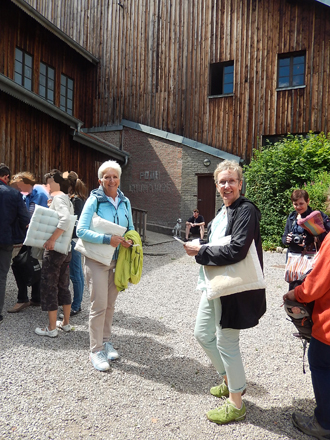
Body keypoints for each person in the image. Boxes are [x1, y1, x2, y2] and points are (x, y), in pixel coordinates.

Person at [184, 160, 266, 425]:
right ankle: (231, 380)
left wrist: (202, 252)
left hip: (233, 288)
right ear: (217, 185)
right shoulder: (223, 212)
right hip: (215, 283)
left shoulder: (246, 210)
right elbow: (217, 242)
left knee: (226, 342)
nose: (227, 185)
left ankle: (236, 403)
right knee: (201, 333)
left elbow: (238, 249)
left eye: (232, 181)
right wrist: (199, 244)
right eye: (222, 181)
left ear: (240, 184)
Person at [76, 160, 134, 372]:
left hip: (118, 260)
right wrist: (106, 239)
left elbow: (131, 229)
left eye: (115, 176)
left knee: (110, 304)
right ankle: (96, 350)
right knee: (99, 305)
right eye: (107, 177)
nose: (111, 180)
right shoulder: (94, 200)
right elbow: (80, 230)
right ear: (100, 180)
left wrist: (129, 241)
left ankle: (106, 340)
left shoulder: (125, 201)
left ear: (119, 179)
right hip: (97, 259)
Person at [283, 190, 330, 438]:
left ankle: (324, 423)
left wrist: (294, 295)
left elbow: (315, 286)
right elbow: (284, 240)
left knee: (321, 363)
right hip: (296, 263)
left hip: (328, 325)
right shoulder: (292, 217)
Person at [35, 171, 75, 337]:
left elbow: (64, 220)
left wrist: (51, 239)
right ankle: (65, 323)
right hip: (66, 250)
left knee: (49, 286)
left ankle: (51, 328)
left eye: (49, 182)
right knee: (63, 286)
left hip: (55, 250)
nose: (47, 186)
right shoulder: (66, 198)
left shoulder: (58, 198)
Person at [8, 171, 49, 312]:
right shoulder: (26, 195)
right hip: (27, 236)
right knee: (27, 263)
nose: (18, 190)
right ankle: (31, 298)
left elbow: (46, 215)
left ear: (26, 183)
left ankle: (26, 298)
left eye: (18, 186)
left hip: (38, 236)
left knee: (26, 264)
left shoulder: (40, 194)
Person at [0, 164, 30, 324]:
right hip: (5, 240)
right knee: (2, 274)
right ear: (5, 177)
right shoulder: (13, 194)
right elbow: (25, 219)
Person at [282, 189, 330, 289]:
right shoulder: (292, 217)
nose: (298, 207)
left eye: (301, 203)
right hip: (294, 260)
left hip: (310, 260)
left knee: (308, 289)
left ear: (308, 201)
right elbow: (284, 237)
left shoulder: (317, 216)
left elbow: (327, 236)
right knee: (294, 290)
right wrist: (287, 239)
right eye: (295, 204)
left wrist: (309, 239)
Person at [64, 172, 87, 316]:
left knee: (75, 274)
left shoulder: (76, 200)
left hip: (74, 240)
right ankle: (77, 303)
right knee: (77, 273)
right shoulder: (75, 199)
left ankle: (76, 305)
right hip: (75, 239)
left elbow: (75, 222)